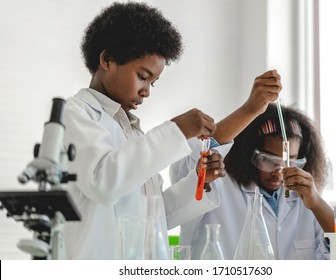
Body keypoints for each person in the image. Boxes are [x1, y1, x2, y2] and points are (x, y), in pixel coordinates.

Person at [61, 1, 226, 259]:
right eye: (143, 76)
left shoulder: (132, 132)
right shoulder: (75, 114)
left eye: (153, 83)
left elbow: (156, 214)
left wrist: (199, 179)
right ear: (107, 60)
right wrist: (176, 131)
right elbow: (103, 181)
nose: (146, 91)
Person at [171, 103, 334, 260]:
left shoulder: (306, 201)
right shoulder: (219, 183)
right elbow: (192, 161)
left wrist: (317, 204)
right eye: (268, 159)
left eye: (290, 161)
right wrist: (250, 109)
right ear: (249, 153)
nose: (279, 171)